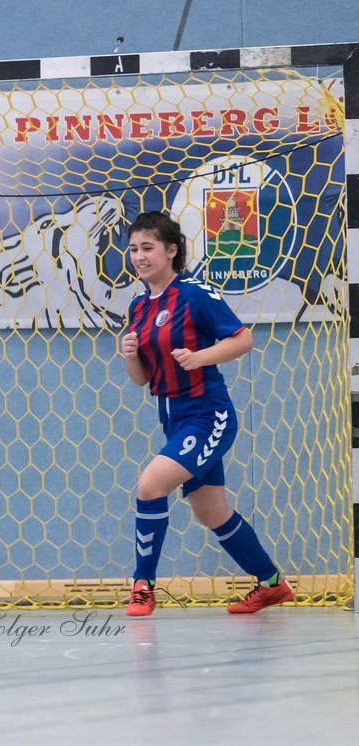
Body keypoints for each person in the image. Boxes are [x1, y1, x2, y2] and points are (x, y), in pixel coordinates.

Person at [119, 210, 292, 616]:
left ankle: (142, 586)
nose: (140, 257)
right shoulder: (138, 306)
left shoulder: (195, 294)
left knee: (149, 485)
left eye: (148, 247)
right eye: (133, 249)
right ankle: (272, 584)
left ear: (171, 250)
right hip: (172, 418)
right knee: (210, 511)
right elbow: (142, 380)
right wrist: (128, 356)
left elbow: (243, 339)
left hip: (208, 415)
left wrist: (199, 357)